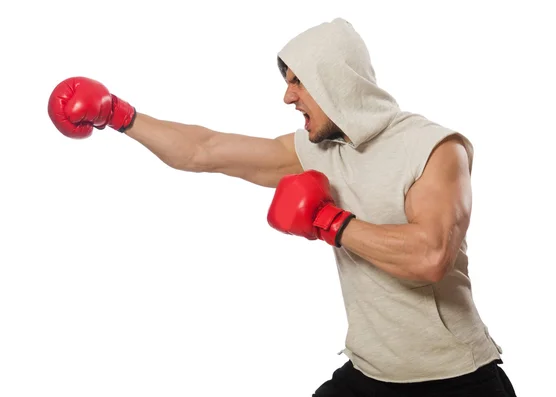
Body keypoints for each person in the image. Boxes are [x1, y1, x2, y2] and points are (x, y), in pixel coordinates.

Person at [47, 17, 517, 397]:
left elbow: (430, 256)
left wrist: (328, 222)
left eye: (299, 82)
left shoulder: (434, 148)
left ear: (335, 82)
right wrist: (119, 114)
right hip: (369, 373)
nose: (287, 96)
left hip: (455, 380)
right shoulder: (321, 149)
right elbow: (204, 150)